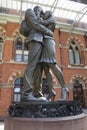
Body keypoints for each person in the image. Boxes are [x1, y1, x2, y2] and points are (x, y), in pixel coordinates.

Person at [21, 6, 53, 100]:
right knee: (32, 65)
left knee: (38, 69)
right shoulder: (29, 12)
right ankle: (26, 93)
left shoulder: (39, 18)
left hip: (40, 42)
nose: (40, 13)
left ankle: (37, 93)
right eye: (39, 10)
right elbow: (36, 25)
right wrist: (49, 32)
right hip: (34, 40)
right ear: (36, 9)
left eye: (41, 12)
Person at [37, 11, 69, 100]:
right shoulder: (46, 20)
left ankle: (64, 88)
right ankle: (51, 91)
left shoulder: (51, 19)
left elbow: (41, 23)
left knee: (52, 64)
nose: (43, 15)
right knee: (46, 68)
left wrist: (39, 16)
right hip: (43, 43)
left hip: (49, 42)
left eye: (45, 14)